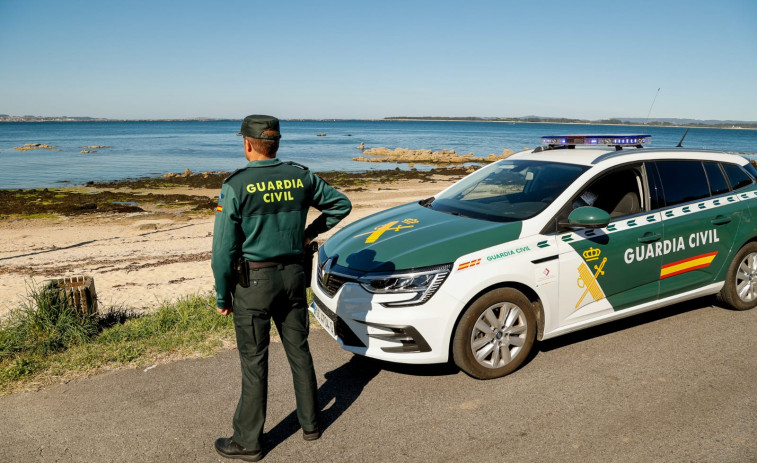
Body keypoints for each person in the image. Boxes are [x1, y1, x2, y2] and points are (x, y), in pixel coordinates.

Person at [212, 115, 352, 461]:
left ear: (247, 144)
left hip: (253, 283)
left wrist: (222, 293)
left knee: (255, 360)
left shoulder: (236, 185)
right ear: (275, 144)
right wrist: (308, 233)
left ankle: (248, 442)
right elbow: (341, 205)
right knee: (299, 351)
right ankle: (311, 424)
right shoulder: (300, 176)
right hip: (292, 277)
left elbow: (223, 250)